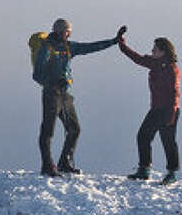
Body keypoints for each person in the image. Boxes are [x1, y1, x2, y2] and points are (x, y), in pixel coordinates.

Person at [29, 18, 124, 176]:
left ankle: (64, 163)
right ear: (61, 31)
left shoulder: (68, 46)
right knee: (48, 131)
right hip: (51, 94)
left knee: (74, 129)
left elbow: (89, 47)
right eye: (68, 31)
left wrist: (114, 41)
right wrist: (51, 83)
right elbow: (37, 74)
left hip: (64, 95)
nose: (69, 34)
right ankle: (47, 165)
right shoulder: (47, 47)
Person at [118, 34, 181, 184]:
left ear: (163, 51)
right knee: (143, 136)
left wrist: (171, 114)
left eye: (155, 50)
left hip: (168, 110)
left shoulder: (172, 69)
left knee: (168, 141)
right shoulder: (155, 63)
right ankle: (144, 169)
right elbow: (137, 58)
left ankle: (172, 173)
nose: (152, 52)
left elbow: (174, 92)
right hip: (156, 109)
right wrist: (122, 45)